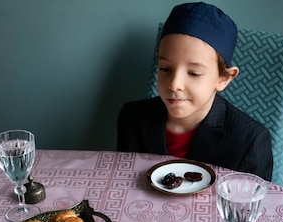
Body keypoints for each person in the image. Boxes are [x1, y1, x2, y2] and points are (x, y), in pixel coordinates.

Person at [117, 2, 273, 181]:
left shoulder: (250, 140)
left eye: (194, 73)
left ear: (224, 78)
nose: (175, 84)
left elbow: (251, 206)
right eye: (165, 69)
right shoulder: (131, 118)